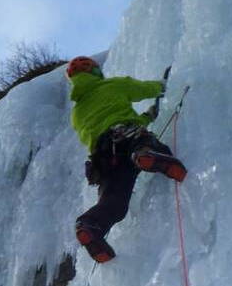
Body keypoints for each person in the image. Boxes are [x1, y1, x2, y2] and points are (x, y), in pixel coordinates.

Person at [66, 56, 188, 263]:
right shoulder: (113, 85)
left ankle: (89, 225)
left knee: (114, 202)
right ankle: (143, 154)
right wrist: (166, 84)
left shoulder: (76, 113)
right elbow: (148, 89)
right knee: (147, 146)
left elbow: (101, 124)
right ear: (94, 72)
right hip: (125, 135)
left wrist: (148, 117)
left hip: (102, 159)